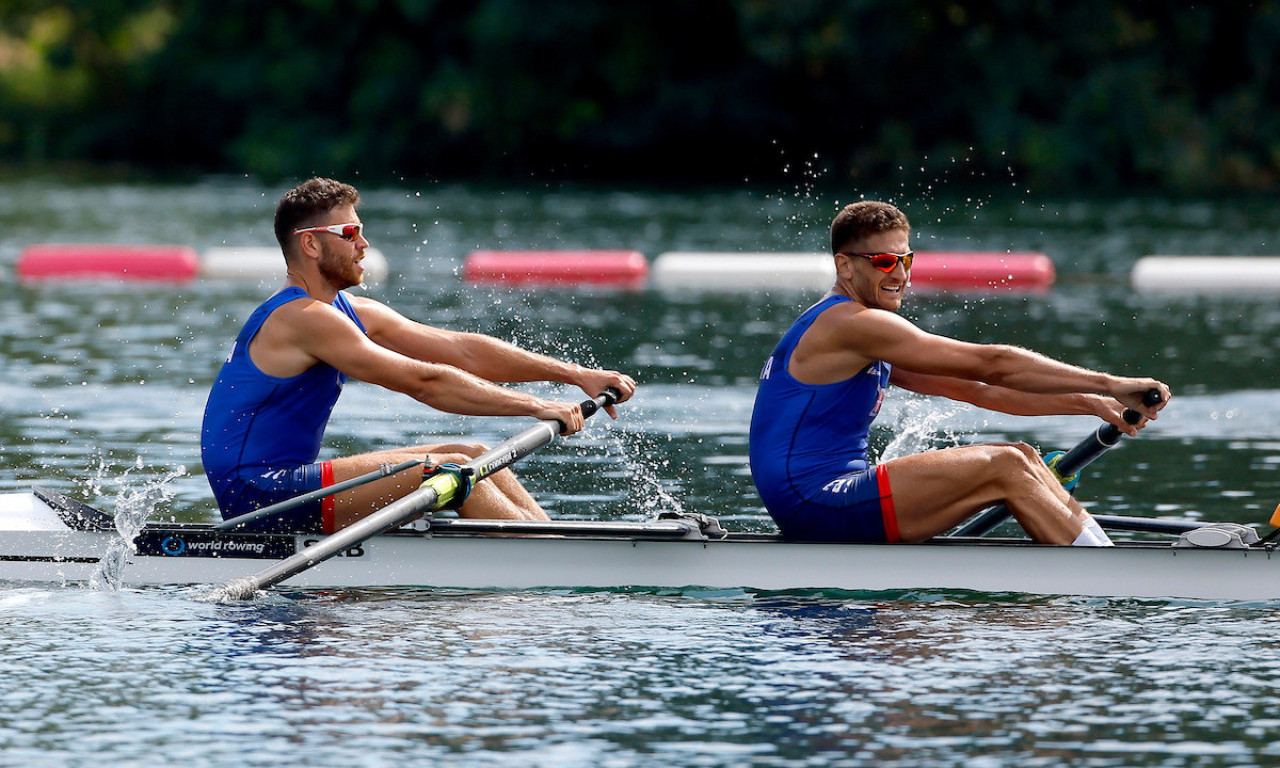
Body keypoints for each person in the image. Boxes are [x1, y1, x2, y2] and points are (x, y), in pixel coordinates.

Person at [201, 177, 636, 533]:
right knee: (452, 468)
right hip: (258, 495)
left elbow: (462, 351)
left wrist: (576, 374)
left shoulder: (347, 313)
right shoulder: (301, 318)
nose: (364, 244)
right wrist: (539, 406)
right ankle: (553, 569)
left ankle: (553, 542)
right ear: (311, 245)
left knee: (474, 454)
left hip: (285, 485)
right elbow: (425, 383)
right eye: (350, 233)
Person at [748, 200, 1170, 546]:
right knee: (1005, 464)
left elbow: (979, 389)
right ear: (845, 267)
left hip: (823, 501)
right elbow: (992, 364)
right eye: (882, 261)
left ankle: (1096, 556)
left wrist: (1093, 403)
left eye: (906, 258)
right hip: (815, 503)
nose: (899, 273)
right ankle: (1103, 571)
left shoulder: (860, 332)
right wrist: (1111, 382)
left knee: (1022, 456)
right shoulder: (853, 325)